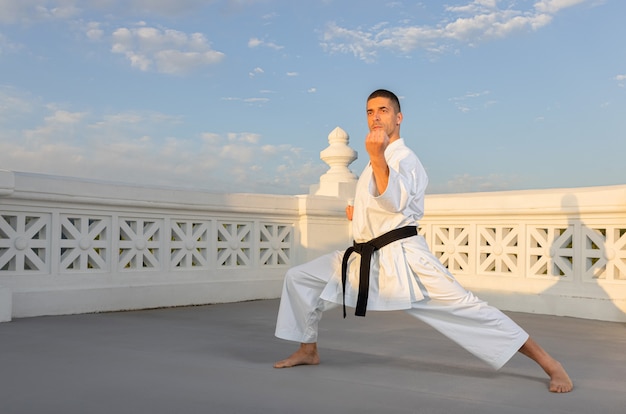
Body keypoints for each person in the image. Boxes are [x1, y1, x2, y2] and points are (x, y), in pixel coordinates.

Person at [273, 89, 573, 393]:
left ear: (398, 117)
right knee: (301, 278)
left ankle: (551, 364)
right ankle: (308, 350)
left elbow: (394, 202)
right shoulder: (377, 158)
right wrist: (359, 211)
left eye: (383, 110)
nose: (375, 116)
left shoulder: (404, 157)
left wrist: (376, 156)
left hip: (406, 260)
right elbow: (381, 204)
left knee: (470, 310)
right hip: (366, 257)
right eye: (369, 111)